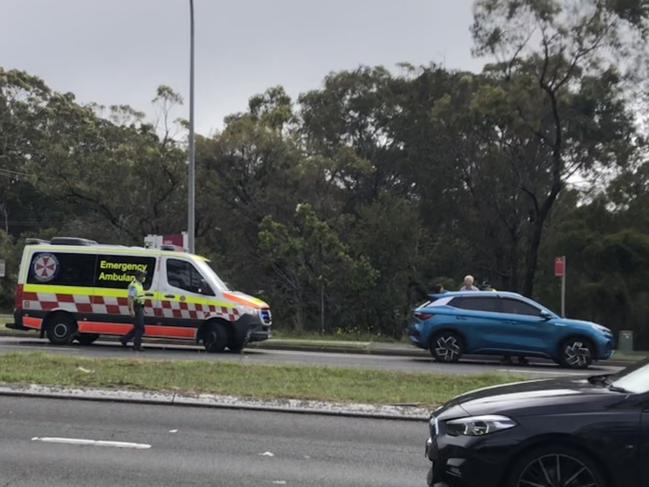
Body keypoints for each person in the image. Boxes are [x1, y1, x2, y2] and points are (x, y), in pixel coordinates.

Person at [121, 270, 146, 351]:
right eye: (142, 276)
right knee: (141, 328)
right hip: (136, 308)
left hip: (139, 307)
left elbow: (140, 297)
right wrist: (131, 310)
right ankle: (137, 346)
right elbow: (130, 299)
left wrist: (143, 308)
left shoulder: (139, 285)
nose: (144, 278)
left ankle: (124, 339)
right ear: (138, 277)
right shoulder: (133, 286)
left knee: (137, 327)